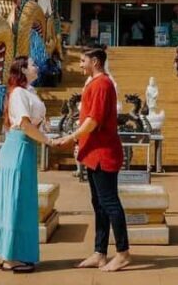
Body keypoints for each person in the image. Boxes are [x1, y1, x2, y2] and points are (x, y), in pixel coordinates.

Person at [53, 48, 130, 272]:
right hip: (93, 153)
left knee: (110, 203)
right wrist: (80, 143)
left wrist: (70, 137)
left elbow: (93, 120)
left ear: (95, 62)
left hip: (104, 153)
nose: (80, 64)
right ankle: (100, 252)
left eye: (83, 60)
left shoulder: (102, 84)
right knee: (99, 204)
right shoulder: (92, 83)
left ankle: (123, 252)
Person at [0, 56, 52, 273]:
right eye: (32, 64)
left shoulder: (29, 91)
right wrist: (48, 141)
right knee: (15, 199)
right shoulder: (19, 93)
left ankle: (9, 252)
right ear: (22, 69)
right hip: (19, 146)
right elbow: (25, 124)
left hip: (26, 147)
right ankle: (11, 257)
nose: (36, 67)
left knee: (20, 199)